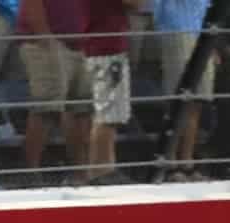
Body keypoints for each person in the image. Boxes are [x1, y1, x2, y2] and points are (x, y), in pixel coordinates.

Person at [17, 0, 91, 183]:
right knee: (46, 108)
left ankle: (79, 172)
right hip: (46, 41)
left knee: (82, 109)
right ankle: (29, 173)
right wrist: (45, 38)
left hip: (83, 41)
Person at [81, 0, 145, 181]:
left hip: (102, 46)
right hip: (107, 48)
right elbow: (136, 3)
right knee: (108, 114)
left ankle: (105, 167)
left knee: (108, 113)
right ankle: (100, 171)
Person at [155, 0, 215, 177]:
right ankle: (170, 164)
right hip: (177, 28)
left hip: (203, 30)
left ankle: (186, 163)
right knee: (180, 102)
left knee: (197, 103)